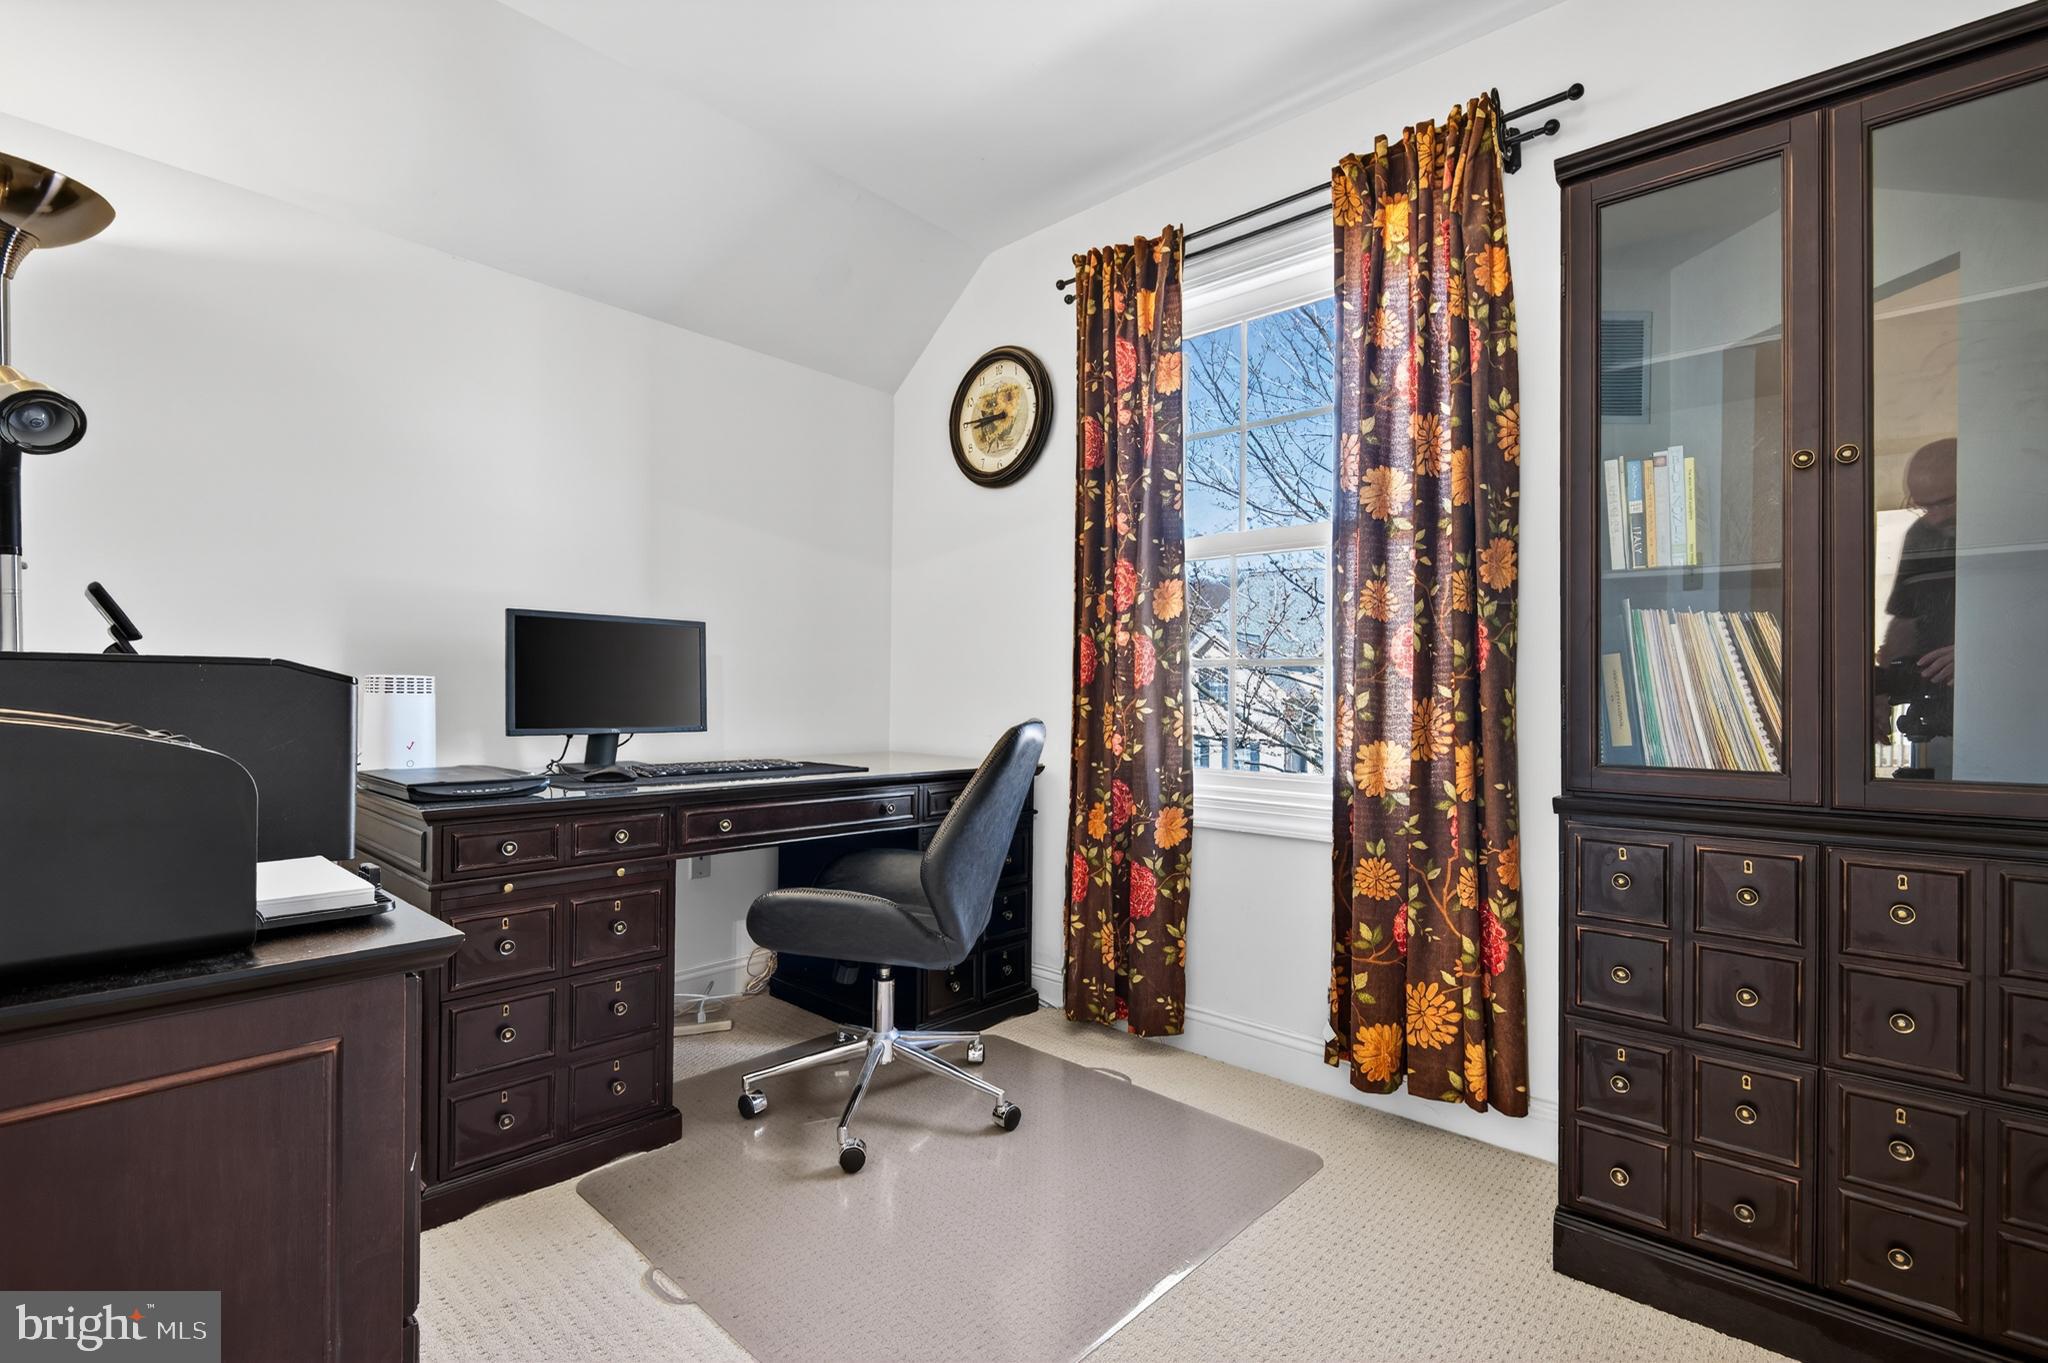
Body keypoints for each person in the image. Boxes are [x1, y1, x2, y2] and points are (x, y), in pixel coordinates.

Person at [1873, 438, 1957, 775]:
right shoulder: (1920, 534)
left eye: (1944, 504)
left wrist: (1983, 656)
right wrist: (1880, 691)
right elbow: (1904, 621)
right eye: (1922, 506)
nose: (1933, 518)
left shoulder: (2022, 526)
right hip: (1934, 709)